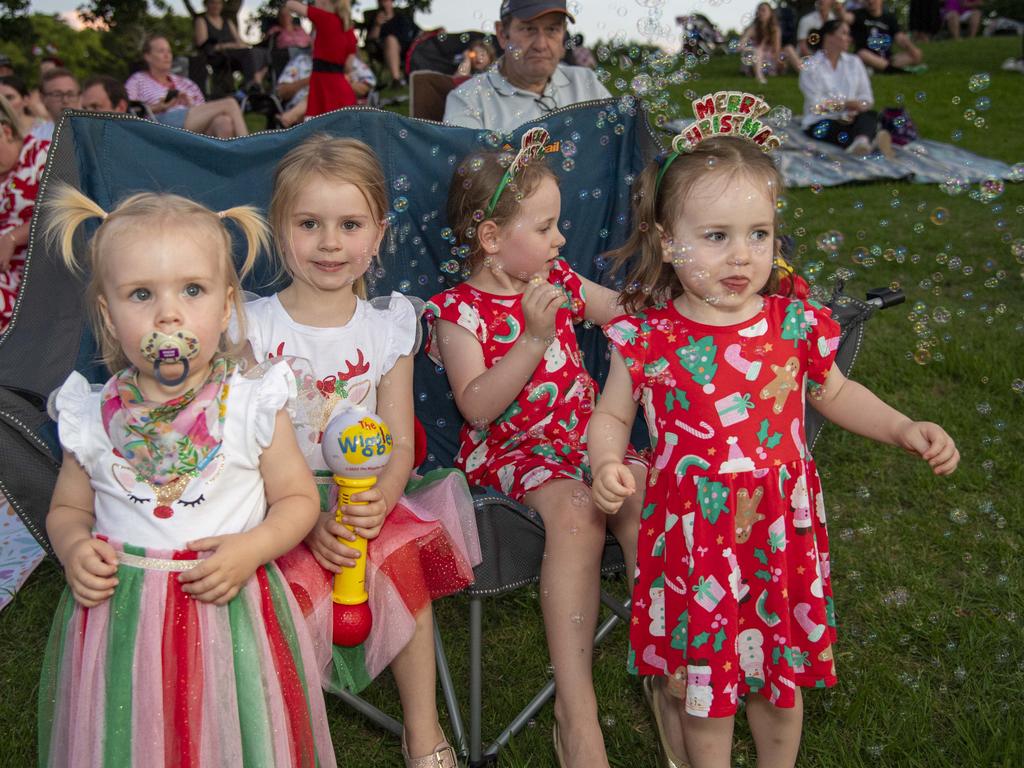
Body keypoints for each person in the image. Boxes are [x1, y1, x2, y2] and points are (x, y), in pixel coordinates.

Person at [588, 130, 959, 768]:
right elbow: (613, 413)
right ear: (668, 242)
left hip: (776, 535)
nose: (742, 255)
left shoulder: (794, 321)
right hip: (695, 535)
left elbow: (835, 393)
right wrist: (606, 462)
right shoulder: (649, 337)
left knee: (779, 681)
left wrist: (901, 426)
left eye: (759, 234)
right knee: (707, 690)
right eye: (717, 236)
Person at [38, 186, 337, 766]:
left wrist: (252, 548)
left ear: (226, 307)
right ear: (108, 312)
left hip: (227, 616)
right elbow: (68, 510)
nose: (168, 314)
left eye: (192, 290)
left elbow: (299, 500)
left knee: (234, 734)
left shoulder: (251, 403)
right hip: (122, 626)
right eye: (141, 294)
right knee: (130, 739)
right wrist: (73, 546)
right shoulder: (92, 416)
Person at [240, 135, 479, 767]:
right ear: (278, 228)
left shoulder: (387, 327)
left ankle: (422, 733)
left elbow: (401, 438)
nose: (329, 243)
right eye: (309, 224)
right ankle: (278, 736)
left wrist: (385, 497)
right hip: (271, 498)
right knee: (269, 595)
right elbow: (240, 442)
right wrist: (301, 517)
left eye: (349, 225)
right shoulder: (252, 328)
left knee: (401, 569)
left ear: (378, 234)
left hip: (366, 492)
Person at [424, 132, 645, 768]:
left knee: (646, 492)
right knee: (579, 512)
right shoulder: (457, 311)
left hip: (584, 438)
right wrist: (531, 336)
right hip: (515, 455)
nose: (560, 242)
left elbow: (623, 313)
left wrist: (682, 302)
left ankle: (666, 660)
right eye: (546, 227)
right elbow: (477, 406)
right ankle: (575, 714)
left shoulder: (561, 280)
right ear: (491, 239)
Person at [442, 0, 611, 131]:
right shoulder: (469, 100)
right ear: (502, 34)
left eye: (552, 30)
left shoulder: (587, 83)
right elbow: (467, 172)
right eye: (529, 29)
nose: (541, 44)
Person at [800, 20, 895, 158]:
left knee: (869, 116)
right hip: (822, 120)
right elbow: (816, 105)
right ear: (828, 36)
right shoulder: (811, 66)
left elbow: (866, 97)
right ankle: (868, 141)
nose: (849, 38)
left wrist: (857, 108)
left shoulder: (854, 62)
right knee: (836, 129)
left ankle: (862, 143)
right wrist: (846, 105)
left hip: (853, 116)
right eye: (844, 33)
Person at [125, 35, 248, 138]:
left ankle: (220, 166)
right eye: (161, 51)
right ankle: (249, 151)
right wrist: (159, 106)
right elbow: (126, 111)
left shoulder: (186, 83)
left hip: (190, 125)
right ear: (147, 56)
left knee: (223, 123)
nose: (167, 55)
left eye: (169, 51)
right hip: (158, 125)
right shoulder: (138, 80)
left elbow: (204, 110)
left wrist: (189, 104)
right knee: (230, 103)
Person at [0, 96, 48, 335]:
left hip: (36, 270)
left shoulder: (41, 155)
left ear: (6, 131)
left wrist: (12, 238)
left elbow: (59, 211)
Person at [284, 0, 358, 117]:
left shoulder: (324, 18)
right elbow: (348, 66)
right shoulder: (348, 30)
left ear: (325, 2)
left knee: (316, 130)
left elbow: (290, 4)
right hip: (342, 90)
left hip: (322, 86)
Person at [275, 51, 376, 127]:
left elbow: (366, 86)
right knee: (319, 91)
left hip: (340, 107)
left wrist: (337, 82)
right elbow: (282, 92)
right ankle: (294, 115)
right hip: (305, 116)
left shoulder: (349, 61)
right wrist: (311, 80)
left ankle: (291, 116)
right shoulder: (301, 61)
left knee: (324, 90)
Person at [194, 0, 270, 92]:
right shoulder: (201, 20)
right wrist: (226, 46)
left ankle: (255, 81)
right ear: (206, 4)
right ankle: (253, 84)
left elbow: (239, 41)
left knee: (263, 53)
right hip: (217, 55)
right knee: (250, 54)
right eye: (213, 3)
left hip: (235, 53)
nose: (216, 6)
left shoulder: (227, 21)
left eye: (218, 3)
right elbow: (202, 44)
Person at [851, 0, 924, 73]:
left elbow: (899, 37)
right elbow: (846, 17)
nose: (871, 1)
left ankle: (882, 68)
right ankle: (897, 71)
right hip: (867, 57)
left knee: (916, 54)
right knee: (862, 54)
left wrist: (912, 49)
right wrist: (839, 9)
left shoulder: (889, 18)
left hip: (887, 59)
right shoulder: (858, 15)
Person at [361, 0, 421, 87]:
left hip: (408, 49)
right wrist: (377, 25)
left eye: (385, 1)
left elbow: (418, 32)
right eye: (380, 1)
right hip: (383, 50)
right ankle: (396, 80)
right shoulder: (375, 19)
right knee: (390, 40)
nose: (383, 4)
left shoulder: (402, 18)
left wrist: (435, 31)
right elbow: (371, 40)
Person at [739, 2, 800, 83]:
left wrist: (780, 62)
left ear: (771, 13)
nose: (760, 13)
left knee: (788, 48)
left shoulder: (775, 29)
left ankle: (803, 73)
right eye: (759, 11)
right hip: (755, 61)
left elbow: (776, 50)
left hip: (770, 61)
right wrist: (743, 43)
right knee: (757, 50)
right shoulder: (753, 28)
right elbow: (743, 42)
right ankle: (759, 77)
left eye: (763, 10)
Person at [33, 67, 80, 141]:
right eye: (57, 95)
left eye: (70, 94)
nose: (65, 100)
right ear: (43, 98)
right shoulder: (35, 139)